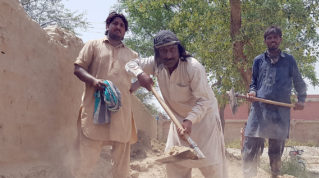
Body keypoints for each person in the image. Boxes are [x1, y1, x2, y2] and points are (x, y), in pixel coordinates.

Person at [125, 30, 227, 178]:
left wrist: (190, 120)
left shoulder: (193, 67)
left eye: (172, 49)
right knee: (175, 165)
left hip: (205, 122)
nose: (168, 55)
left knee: (211, 167)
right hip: (177, 120)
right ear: (157, 52)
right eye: (163, 51)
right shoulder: (156, 64)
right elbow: (130, 64)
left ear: (179, 49)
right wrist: (140, 75)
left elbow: (203, 101)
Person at [72, 12, 138, 178]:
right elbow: (78, 69)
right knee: (87, 156)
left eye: (122, 26)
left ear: (125, 32)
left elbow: (134, 84)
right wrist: (94, 82)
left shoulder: (132, 55)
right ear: (108, 26)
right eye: (115, 23)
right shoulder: (93, 45)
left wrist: (137, 85)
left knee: (121, 159)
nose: (118, 27)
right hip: (94, 108)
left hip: (121, 112)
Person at [242, 26, 307, 178]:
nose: (273, 40)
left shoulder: (289, 60)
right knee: (250, 146)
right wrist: (252, 91)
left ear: (280, 40)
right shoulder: (258, 60)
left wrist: (301, 99)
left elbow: (299, 82)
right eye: (269, 38)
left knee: (276, 151)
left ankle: (275, 175)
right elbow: (254, 83)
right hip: (259, 110)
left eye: (275, 37)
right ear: (265, 41)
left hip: (280, 112)